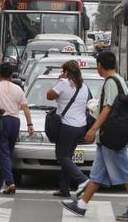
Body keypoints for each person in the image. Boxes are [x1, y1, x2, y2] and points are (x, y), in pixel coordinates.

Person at [61, 52, 128, 221]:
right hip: (108, 137)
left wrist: (93, 129)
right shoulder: (119, 80)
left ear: (100, 65)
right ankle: (82, 205)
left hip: (111, 136)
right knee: (97, 174)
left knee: (126, 171)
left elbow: (107, 108)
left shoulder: (111, 82)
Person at [46, 60, 91, 198]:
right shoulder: (84, 86)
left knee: (61, 156)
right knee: (68, 157)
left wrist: (59, 81)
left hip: (67, 126)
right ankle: (64, 189)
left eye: (62, 71)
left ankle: (83, 180)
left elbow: (49, 95)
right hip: (81, 126)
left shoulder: (63, 83)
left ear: (66, 72)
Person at [0, 63, 34, 194]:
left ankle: (10, 182)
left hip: (2, 122)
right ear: (11, 75)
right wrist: (30, 124)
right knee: (7, 153)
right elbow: (25, 107)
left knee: (3, 154)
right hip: (15, 122)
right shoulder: (18, 89)